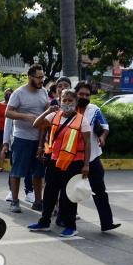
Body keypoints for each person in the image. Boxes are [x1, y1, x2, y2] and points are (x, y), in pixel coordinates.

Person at [28, 89, 91, 238]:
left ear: (75, 103)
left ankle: (70, 226)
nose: (67, 103)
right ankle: (44, 222)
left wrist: (86, 165)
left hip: (73, 163)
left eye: (70, 101)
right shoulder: (54, 115)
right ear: (60, 101)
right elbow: (36, 124)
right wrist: (48, 111)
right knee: (49, 193)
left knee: (69, 195)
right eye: (64, 100)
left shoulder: (82, 120)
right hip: (54, 161)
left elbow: (88, 144)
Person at [74, 81, 120, 232]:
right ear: (75, 94)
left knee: (100, 191)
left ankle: (107, 223)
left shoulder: (94, 110)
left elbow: (105, 127)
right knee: (70, 191)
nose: (84, 97)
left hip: (92, 157)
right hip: (72, 158)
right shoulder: (68, 109)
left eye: (87, 95)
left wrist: (103, 137)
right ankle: (66, 221)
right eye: (81, 94)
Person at [5, 64, 49, 213]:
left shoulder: (43, 92)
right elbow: (8, 113)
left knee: (38, 172)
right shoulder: (18, 93)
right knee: (17, 171)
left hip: (39, 139)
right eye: (39, 77)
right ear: (30, 78)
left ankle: (38, 202)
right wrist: (26, 116)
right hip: (21, 138)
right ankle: (15, 201)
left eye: (43, 77)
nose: (41, 80)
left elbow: (46, 111)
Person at [0, 88, 12, 171]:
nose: (8, 95)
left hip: (12, 130)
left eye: (10, 94)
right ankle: (1, 166)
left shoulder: (14, 106)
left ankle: (13, 166)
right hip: (1, 130)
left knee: (12, 148)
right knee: (3, 147)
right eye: (6, 94)